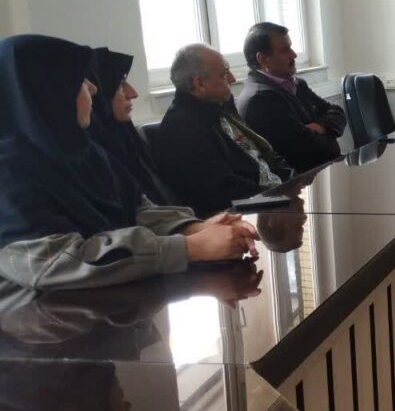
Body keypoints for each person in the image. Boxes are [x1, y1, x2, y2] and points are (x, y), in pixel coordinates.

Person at [0, 35, 261, 290]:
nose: (93, 88)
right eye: (80, 80)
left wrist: (194, 228)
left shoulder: (82, 152)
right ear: (45, 92)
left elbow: (137, 209)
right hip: (43, 316)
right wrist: (190, 247)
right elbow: (55, 262)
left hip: (114, 303)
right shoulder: (8, 174)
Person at [154, 43, 293, 217]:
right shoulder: (182, 129)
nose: (233, 79)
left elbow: (260, 153)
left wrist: (293, 180)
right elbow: (224, 189)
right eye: (225, 74)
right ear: (199, 83)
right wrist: (280, 196)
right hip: (247, 212)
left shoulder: (219, 107)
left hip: (274, 196)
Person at [237, 22, 346, 172]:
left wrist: (319, 127)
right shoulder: (259, 100)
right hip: (303, 179)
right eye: (285, 50)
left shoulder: (297, 85)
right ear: (263, 59)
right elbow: (306, 148)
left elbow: (337, 112)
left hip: (327, 168)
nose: (294, 55)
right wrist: (329, 131)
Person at [88, 47, 178, 205]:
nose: (133, 93)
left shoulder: (127, 137)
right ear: (100, 94)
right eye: (119, 85)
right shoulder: (93, 158)